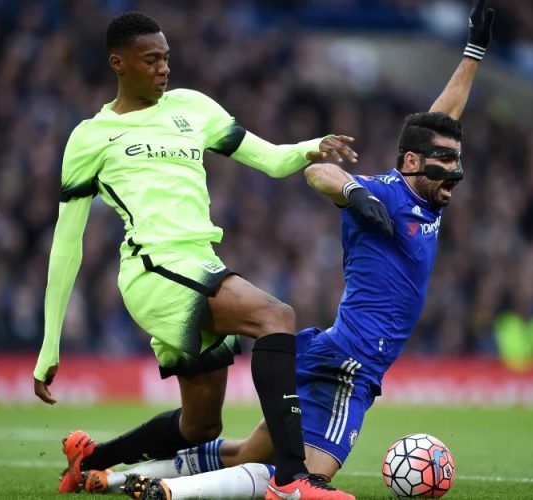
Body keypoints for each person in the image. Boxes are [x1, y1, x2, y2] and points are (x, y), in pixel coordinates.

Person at [77, 1, 496, 498]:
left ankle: (110, 473)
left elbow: (439, 119)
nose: (455, 173)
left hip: (333, 348)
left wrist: (474, 51)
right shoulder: (386, 192)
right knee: (296, 480)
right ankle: (174, 493)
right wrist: (354, 194)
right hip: (351, 365)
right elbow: (322, 172)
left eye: (455, 162)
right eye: (445, 162)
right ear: (412, 161)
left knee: (247, 452)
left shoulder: (427, 199)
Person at [32, 10, 362, 500]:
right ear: (118, 63)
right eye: (151, 60)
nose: (164, 69)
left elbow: (270, 159)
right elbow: (65, 244)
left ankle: (91, 460)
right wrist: (49, 344)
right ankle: (294, 482)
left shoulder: (191, 107)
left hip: (199, 263)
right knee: (276, 315)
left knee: (201, 426)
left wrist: (310, 147)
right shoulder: (90, 136)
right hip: (154, 271)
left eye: (166, 58)